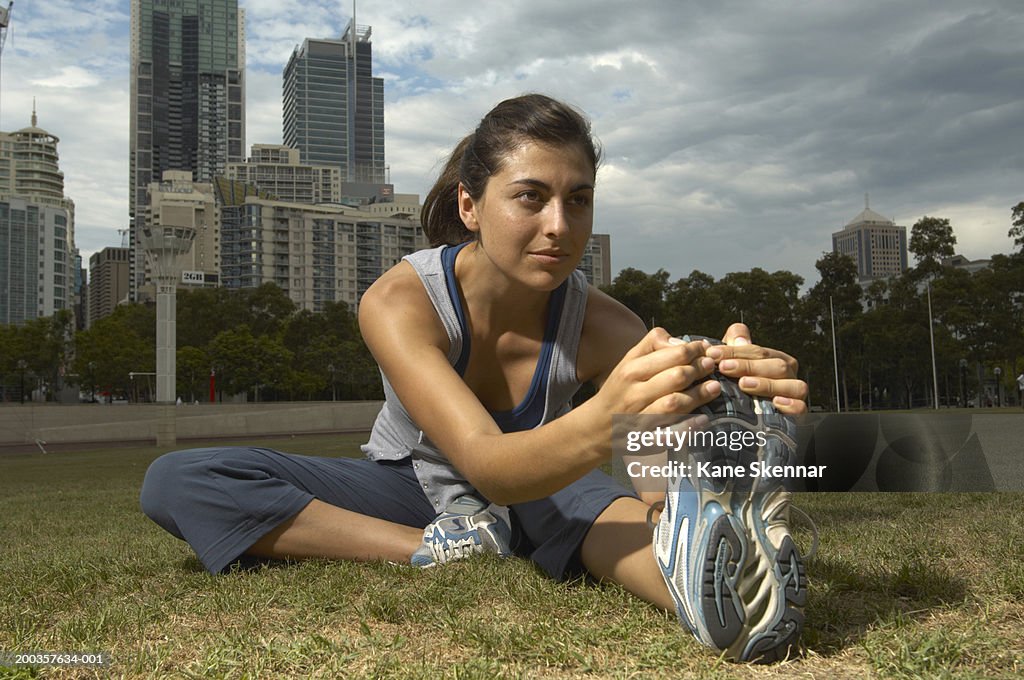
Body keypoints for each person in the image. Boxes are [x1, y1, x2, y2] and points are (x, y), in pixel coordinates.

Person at [140, 94, 809, 663]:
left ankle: (721, 596)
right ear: (470, 205)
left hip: (550, 487)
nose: (559, 226)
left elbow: (649, 468)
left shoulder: (605, 325)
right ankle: (439, 554)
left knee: (591, 498)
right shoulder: (401, 301)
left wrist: (720, 400)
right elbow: (487, 466)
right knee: (177, 479)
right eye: (530, 197)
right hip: (415, 491)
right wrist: (608, 412)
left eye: (578, 201)